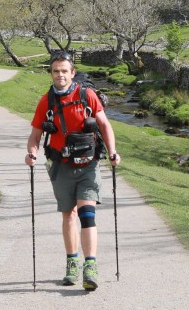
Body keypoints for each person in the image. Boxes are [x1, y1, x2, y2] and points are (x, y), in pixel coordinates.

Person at [25, 51, 120, 291]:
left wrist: (112, 152)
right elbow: (35, 135)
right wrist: (32, 153)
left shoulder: (87, 95)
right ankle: (72, 263)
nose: (60, 75)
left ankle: (91, 266)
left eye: (64, 71)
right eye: (56, 71)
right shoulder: (45, 102)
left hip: (88, 163)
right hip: (61, 165)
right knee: (68, 214)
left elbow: (104, 124)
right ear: (51, 73)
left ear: (72, 73)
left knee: (87, 213)